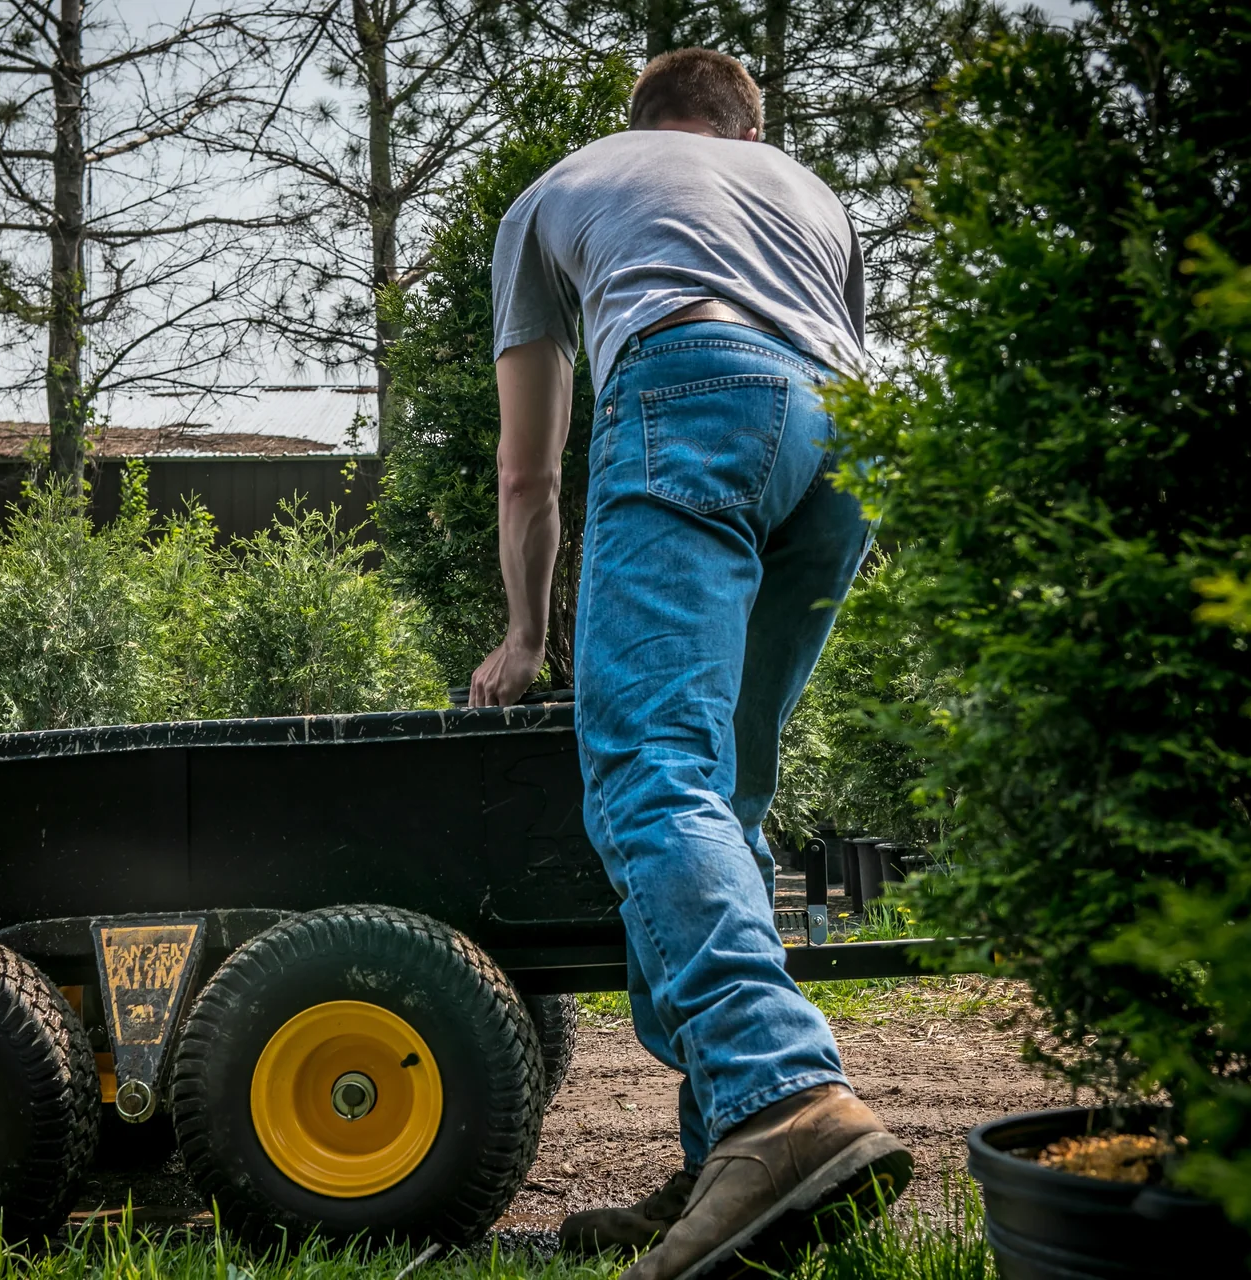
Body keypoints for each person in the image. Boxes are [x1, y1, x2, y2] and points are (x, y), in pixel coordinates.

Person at [468, 47, 912, 1280]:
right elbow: (818, 383)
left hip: (692, 384)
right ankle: (732, 1153)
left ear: (648, 119)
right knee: (729, 794)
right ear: (741, 125)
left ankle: (781, 1098)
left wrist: (523, 638)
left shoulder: (568, 185)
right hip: (849, 440)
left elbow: (527, 468)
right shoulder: (807, 190)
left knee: (653, 769)